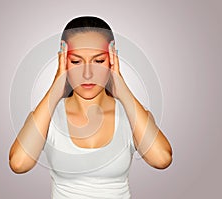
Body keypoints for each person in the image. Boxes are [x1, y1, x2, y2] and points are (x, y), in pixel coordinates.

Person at [9, 16, 173, 198]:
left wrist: (123, 90)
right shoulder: (47, 117)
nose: (87, 74)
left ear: (112, 60)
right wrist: (55, 89)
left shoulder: (132, 115)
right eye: (76, 62)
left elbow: (162, 159)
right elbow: (18, 163)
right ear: (63, 62)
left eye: (99, 61)